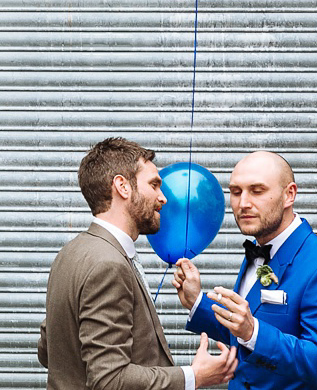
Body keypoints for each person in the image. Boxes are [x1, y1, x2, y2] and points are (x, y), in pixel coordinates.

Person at [38, 137, 237, 390]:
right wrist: (193, 376)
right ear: (122, 186)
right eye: (154, 185)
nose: (163, 198)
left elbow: (49, 352)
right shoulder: (108, 265)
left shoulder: (69, 254)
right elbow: (109, 380)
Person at [172, 151, 317, 390]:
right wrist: (196, 301)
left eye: (257, 191)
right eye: (236, 192)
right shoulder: (259, 247)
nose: (243, 203)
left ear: (289, 194)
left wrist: (253, 331)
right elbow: (243, 332)